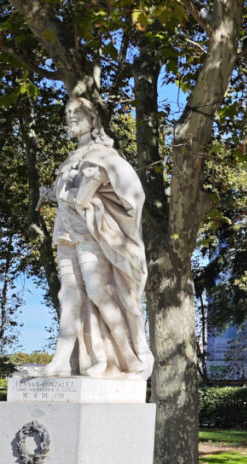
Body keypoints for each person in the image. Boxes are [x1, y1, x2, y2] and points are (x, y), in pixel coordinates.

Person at [33, 98, 152, 378]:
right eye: (67, 114)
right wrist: (51, 194)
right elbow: (69, 195)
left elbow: (89, 195)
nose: (71, 117)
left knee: (98, 292)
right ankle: (60, 361)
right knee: (69, 296)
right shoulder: (71, 158)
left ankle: (129, 355)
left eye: (77, 113)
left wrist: (72, 195)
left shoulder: (102, 155)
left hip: (90, 233)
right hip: (65, 233)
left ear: (93, 119)